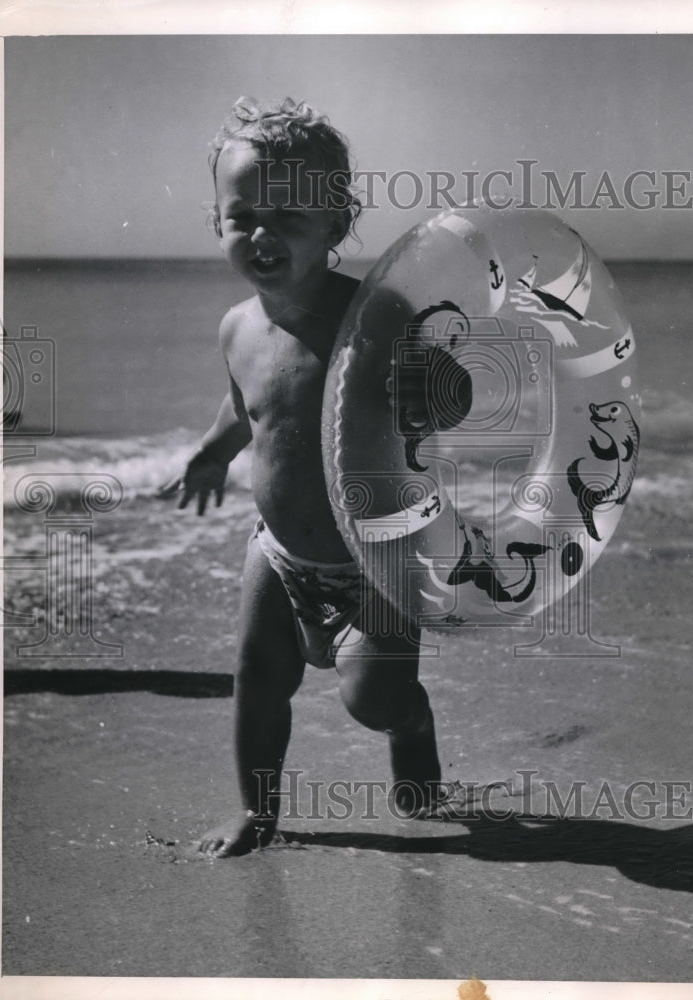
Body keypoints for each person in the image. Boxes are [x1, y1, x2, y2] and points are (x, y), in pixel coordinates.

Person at [159, 97, 443, 857]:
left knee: (371, 697)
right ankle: (258, 813)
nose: (262, 233)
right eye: (242, 214)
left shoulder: (375, 315)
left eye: (288, 215)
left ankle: (412, 725)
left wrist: (434, 385)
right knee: (256, 680)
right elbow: (248, 405)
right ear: (216, 222)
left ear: (334, 224)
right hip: (278, 551)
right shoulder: (236, 326)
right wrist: (214, 451)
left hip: (375, 558)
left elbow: (444, 391)